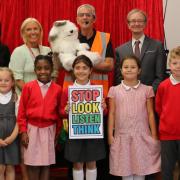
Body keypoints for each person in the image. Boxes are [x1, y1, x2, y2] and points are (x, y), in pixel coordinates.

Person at [108, 55, 161, 180]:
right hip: (122, 136)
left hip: (142, 136)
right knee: (125, 173)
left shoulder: (147, 90)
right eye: (126, 67)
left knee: (140, 172)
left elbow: (150, 113)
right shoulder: (114, 90)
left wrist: (154, 135)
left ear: (139, 70)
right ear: (121, 70)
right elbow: (112, 113)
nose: (129, 69)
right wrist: (110, 134)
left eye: (133, 67)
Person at [60, 55, 107, 180]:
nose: (81, 71)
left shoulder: (97, 89)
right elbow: (60, 112)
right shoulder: (67, 90)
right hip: (75, 132)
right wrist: (65, 110)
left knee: (92, 163)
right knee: (77, 163)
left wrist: (103, 107)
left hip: (93, 132)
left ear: (90, 70)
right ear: (73, 70)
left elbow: (105, 113)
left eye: (84, 68)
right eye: (77, 68)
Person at [17, 55, 62, 180]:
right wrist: (23, 131)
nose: (43, 71)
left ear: (52, 69)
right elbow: (22, 112)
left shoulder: (58, 89)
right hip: (32, 130)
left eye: (46, 68)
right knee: (33, 165)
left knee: (46, 164)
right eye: (39, 68)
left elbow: (59, 114)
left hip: (49, 130)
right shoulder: (28, 87)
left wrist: (57, 133)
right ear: (35, 70)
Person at [114, 8, 166, 93]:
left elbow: (160, 76)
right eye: (133, 21)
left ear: (145, 24)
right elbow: (119, 78)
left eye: (140, 21)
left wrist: (148, 93)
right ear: (128, 24)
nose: (137, 23)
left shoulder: (157, 46)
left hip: (150, 97)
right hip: (127, 97)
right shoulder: (120, 50)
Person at [155, 46, 180, 180]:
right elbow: (159, 108)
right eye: (175, 63)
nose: (178, 66)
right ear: (170, 65)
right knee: (167, 170)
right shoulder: (163, 86)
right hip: (167, 135)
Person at [9, 18, 51, 94]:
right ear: (23, 33)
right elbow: (17, 79)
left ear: (40, 31)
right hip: (25, 97)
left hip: (46, 95)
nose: (33, 32)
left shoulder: (47, 50)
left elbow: (52, 74)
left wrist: (49, 93)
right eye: (28, 29)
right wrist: (34, 95)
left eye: (35, 29)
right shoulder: (18, 51)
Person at [0, 67, 20, 180]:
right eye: (0, 80)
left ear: (12, 82)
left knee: (10, 167)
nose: (3, 83)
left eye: (6, 80)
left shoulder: (17, 98)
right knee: (0, 167)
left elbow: (19, 121)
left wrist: (12, 137)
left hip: (12, 139)